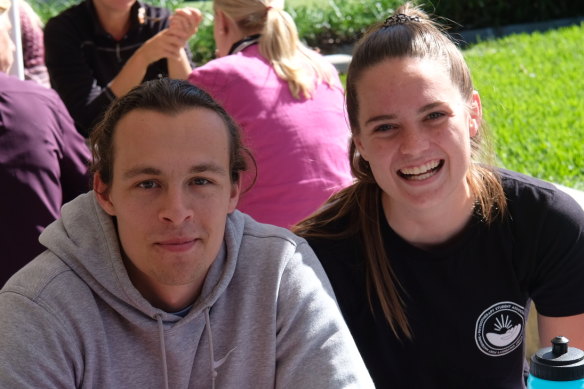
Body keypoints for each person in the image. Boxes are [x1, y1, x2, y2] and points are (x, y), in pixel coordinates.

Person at [0, 78, 374, 388]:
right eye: (148, 184)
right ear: (104, 192)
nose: (176, 212)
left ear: (232, 190)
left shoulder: (280, 273)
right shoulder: (38, 307)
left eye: (200, 180)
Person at [293, 3, 584, 388]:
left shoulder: (546, 222)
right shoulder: (315, 257)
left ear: (473, 114)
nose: (414, 147)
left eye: (434, 115)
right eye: (385, 127)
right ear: (359, 141)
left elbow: (568, 375)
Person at [185, 0, 353, 228]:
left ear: (222, 22)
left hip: (269, 242)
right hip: (343, 224)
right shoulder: (323, 69)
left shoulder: (216, 76)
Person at [0, 0, 90, 287]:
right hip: (32, 293)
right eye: (9, 32)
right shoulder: (34, 102)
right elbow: (92, 189)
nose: (14, 47)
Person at [44, 0, 200, 136]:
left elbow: (193, 108)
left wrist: (175, 45)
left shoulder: (161, 22)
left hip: (158, 138)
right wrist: (143, 58)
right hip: (92, 153)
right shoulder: (63, 30)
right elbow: (91, 122)